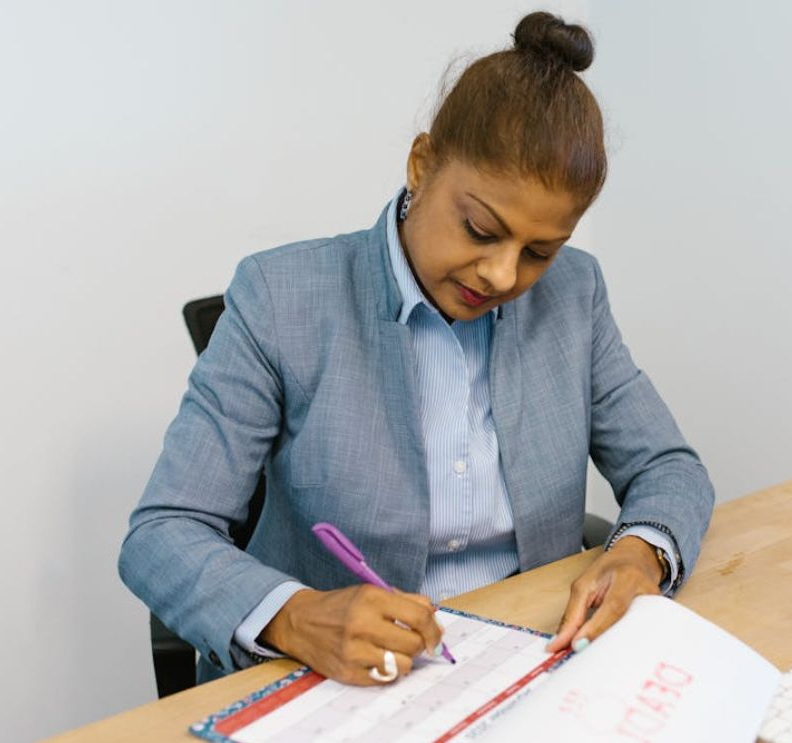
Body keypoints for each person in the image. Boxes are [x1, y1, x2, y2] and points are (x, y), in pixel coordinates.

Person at [119, 11, 714, 688]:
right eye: (479, 228)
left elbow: (669, 466)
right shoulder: (280, 298)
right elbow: (162, 533)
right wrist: (295, 615)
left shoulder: (573, 296)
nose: (501, 275)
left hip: (529, 665)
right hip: (335, 683)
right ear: (422, 164)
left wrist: (638, 554)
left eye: (539, 252)